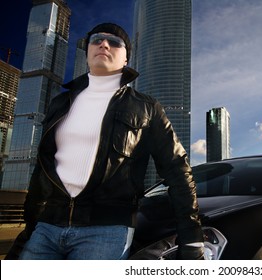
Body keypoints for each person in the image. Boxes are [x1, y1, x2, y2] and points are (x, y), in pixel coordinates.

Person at [13, 22, 204, 260]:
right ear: (87, 53)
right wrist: (29, 230)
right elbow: (42, 171)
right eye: (97, 40)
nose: (104, 44)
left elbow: (178, 170)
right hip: (47, 227)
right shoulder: (60, 104)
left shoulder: (146, 107)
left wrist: (192, 236)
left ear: (126, 60)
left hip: (107, 230)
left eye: (115, 42)